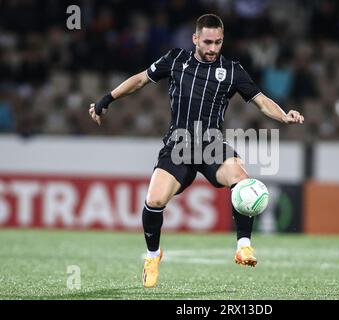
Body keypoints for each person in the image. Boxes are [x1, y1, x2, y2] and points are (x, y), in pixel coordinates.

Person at [89, 14, 304, 288]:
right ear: (195, 39)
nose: (213, 48)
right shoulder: (176, 60)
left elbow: (260, 101)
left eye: (218, 42)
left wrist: (283, 115)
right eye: (207, 42)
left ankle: (244, 246)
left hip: (212, 145)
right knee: (154, 201)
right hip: (178, 146)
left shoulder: (233, 70)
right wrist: (107, 99)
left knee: (242, 180)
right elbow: (141, 79)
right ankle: (153, 256)